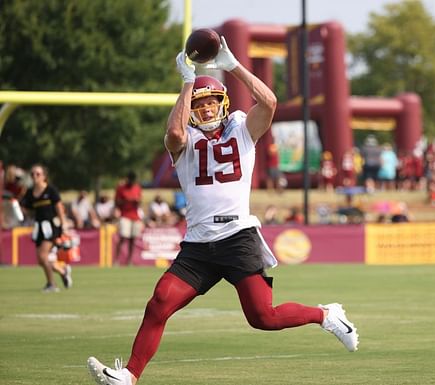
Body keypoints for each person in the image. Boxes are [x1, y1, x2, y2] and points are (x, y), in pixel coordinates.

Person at [87, 37, 358, 385]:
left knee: (263, 316)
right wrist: (188, 82)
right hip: (199, 244)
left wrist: (232, 65)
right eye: (199, 104)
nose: (207, 109)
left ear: (224, 103)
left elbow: (270, 101)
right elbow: (173, 130)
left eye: (213, 101)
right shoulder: (183, 141)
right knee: (159, 304)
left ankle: (326, 315)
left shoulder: (242, 130)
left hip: (238, 236)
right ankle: (129, 376)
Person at [19, 164, 72, 292]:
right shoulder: (30, 192)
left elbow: (59, 207)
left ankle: (52, 284)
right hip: (39, 227)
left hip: (51, 226)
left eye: (38, 174)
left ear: (44, 176)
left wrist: (63, 224)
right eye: (32, 174)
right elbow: (26, 208)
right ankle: (62, 270)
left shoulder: (50, 190)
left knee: (43, 256)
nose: (35, 176)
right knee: (41, 260)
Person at [114, 171, 143, 265]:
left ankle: (129, 261)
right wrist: (126, 201)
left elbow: (140, 202)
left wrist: (136, 201)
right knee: (123, 237)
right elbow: (117, 202)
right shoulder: (121, 188)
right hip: (125, 215)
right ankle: (116, 260)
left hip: (135, 216)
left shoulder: (137, 187)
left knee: (132, 239)